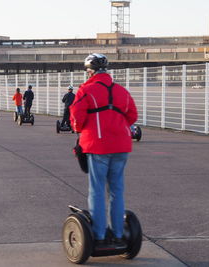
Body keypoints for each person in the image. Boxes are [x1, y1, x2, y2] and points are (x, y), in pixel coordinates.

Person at [70, 53, 138, 247]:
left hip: (97, 145)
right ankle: (118, 234)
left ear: (90, 71)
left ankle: (99, 236)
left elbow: (76, 116)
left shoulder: (86, 90)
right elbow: (132, 115)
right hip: (121, 146)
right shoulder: (122, 91)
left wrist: (81, 129)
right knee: (117, 190)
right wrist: (116, 126)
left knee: (97, 190)